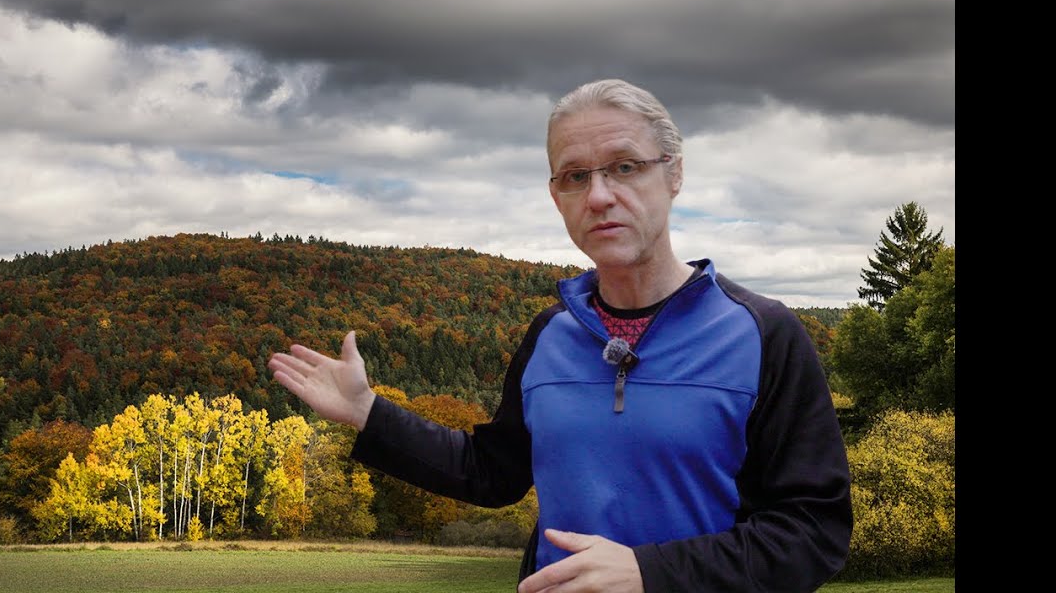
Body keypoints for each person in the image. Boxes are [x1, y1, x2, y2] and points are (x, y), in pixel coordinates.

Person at [267, 78, 852, 592]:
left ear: (674, 174)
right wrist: (368, 412)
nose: (599, 196)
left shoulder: (762, 334)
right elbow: (491, 473)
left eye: (624, 166)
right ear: (557, 196)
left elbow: (812, 532)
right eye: (575, 177)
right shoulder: (552, 333)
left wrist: (652, 574)